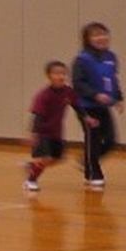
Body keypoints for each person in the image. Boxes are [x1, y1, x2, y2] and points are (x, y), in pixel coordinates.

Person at [23, 61, 98, 191]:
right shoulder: (44, 95)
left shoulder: (68, 91)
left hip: (56, 132)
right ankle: (30, 181)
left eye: (63, 73)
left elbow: (77, 106)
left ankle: (33, 166)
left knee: (58, 158)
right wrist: (34, 134)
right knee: (46, 158)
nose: (60, 76)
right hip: (43, 133)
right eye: (56, 73)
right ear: (49, 76)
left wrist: (87, 117)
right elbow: (37, 116)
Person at [72, 22, 125, 188]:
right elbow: (78, 83)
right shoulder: (82, 60)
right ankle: (93, 172)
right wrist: (95, 95)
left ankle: (86, 161)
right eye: (95, 35)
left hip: (104, 107)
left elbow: (113, 80)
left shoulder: (111, 57)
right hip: (87, 106)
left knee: (110, 141)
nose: (100, 38)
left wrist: (118, 98)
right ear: (87, 39)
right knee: (93, 139)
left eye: (103, 34)